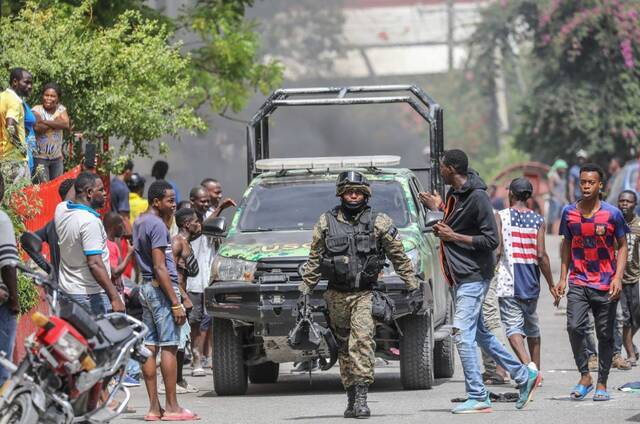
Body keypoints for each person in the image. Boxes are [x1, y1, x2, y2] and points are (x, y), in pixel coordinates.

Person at [420, 149, 540, 414]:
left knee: (461, 335)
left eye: (441, 166)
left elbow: (491, 240)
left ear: (451, 168)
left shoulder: (478, 197)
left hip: (473, 276)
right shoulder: (456, 195)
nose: (439, 170)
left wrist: (453, 236)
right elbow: (458, 223)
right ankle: (523, 376)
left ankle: (477, 395)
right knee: (482, 335)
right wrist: (439, 208)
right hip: (460, 277)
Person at [301, 170, 420, 418]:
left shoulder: (380, 222)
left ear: (365, 194)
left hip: (364, 294)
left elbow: (399, 256)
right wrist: (304, 291)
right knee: (344, 348)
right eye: (348, 191)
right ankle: (351, 397)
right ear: (341, 193)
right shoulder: (325, 222)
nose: (353, 196)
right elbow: (313, 261)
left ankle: (363, 397)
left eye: (358, 192)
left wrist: (412, 285)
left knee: (362, 342)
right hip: (335, 296)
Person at [554, 163, 628, 401]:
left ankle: (602, 383)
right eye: (583, 182)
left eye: (591, 182)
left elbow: (623, 246)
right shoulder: (569, 212)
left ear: (600, 185)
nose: (586, 186)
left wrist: (618, 276)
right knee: (574, 327)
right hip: (578, 280)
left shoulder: (612, 214)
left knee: (605, 334)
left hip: (606, 283)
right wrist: (562, 277)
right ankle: (585, 375)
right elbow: (566, 244)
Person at [134, 180, 197, 421]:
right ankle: (172, 407)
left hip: (147, 288)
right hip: (161, 291)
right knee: (169, 345)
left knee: (149, 346)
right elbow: (160, 267)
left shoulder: (140, 221)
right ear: (156, 201)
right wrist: (175, 301)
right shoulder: (157, 225)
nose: (173, 205)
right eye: (170, 201)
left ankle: (153, 409)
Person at [495, 177, 555, 372]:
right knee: (532, 328)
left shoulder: (501, 216)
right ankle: (536, 369)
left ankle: (529, 369)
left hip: (509, 282)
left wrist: (488, 273)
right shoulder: (538, 220)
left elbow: (497, 250)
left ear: (511, 194)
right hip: (530, 283)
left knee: (513, 329)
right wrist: (551, 284)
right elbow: (541, 255)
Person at [55, 172, 125, 315]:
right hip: (90, 297)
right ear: (89, 192)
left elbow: (70, 197)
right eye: (101, 190)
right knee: (104, 337)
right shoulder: (89, 222)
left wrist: (83, 177)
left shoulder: (61, 210)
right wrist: (115, 297)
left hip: (67, 293)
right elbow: (94, 263)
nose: (105, 193)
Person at [172, 208, 201, 393]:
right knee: (176, 341)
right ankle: (171, 382)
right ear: (186, 224)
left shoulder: (188, 241)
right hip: (177, 296)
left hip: (183, 294)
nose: (199, 225)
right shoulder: (176, 243)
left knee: (183, 340)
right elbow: (170, 274)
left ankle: (180, 380)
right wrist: (182, 297)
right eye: (196, 221)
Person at [187, 186, 215, 376]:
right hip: (193, 281)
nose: (205, 204)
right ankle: (196, 359)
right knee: (194, 322)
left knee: (211, 319)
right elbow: (199, 230)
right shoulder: (187, 220)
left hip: (209, 278)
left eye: (207, 201)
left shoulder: (212, 216)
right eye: (201, 201)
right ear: (192, 201)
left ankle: (210, 357)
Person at [0, 170, 20, 385]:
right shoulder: (2, 219)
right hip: (2, 303)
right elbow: (8, 264)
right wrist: (14, 299)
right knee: (2, 366)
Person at [35, 178, 75, 279]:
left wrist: (50, 269)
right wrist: (48, 268)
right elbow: (28, 241)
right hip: (77, 290)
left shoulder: (53, 223)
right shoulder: (78, 220)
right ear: (71, 193)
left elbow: (27, 241)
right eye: (78, 190)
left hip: (58, 286)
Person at [617, 190, 640, 366]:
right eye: (622, 201)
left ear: (635, 204)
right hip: (618, 279)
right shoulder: (614, 223)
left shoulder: (638, 225)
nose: (625, 204)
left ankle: (629, 341)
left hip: (635, 277)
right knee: (624, 318)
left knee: (636, 318)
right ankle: (629, 352)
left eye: (629, 201)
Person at [0, 68, 33, 180]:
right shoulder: (15, 101)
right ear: (15, 82)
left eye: (31, 83)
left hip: (3, 157)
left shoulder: (2, 97)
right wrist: (21, 148)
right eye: (26, 82)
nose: (30, 86)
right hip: (15, 159)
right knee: (21, 196)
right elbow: (10, 125)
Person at [32, 82, 69, 181]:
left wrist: (44, 121)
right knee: (43, 188)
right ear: (42, 96)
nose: (49, 98)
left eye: (53, 96)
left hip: (57, 158)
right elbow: (38, 129)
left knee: (57, 188)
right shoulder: (36, 109)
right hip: (40, 158)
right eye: (46, 95)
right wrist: (56, 122)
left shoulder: (61, 108)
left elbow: (65, 124)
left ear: (58, 98)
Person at [547, 159, 569, 234]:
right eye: (563, 168)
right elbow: (551, 189)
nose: (564, 170)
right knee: (553, 217)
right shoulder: (553, 176)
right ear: (558, 168)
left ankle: (557, 232)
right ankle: (551, 233)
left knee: (561, 217)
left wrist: (564, 199)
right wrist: (559, 198)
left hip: (562, 200)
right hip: (555, 200)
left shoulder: (562, 177)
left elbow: (563, 190)